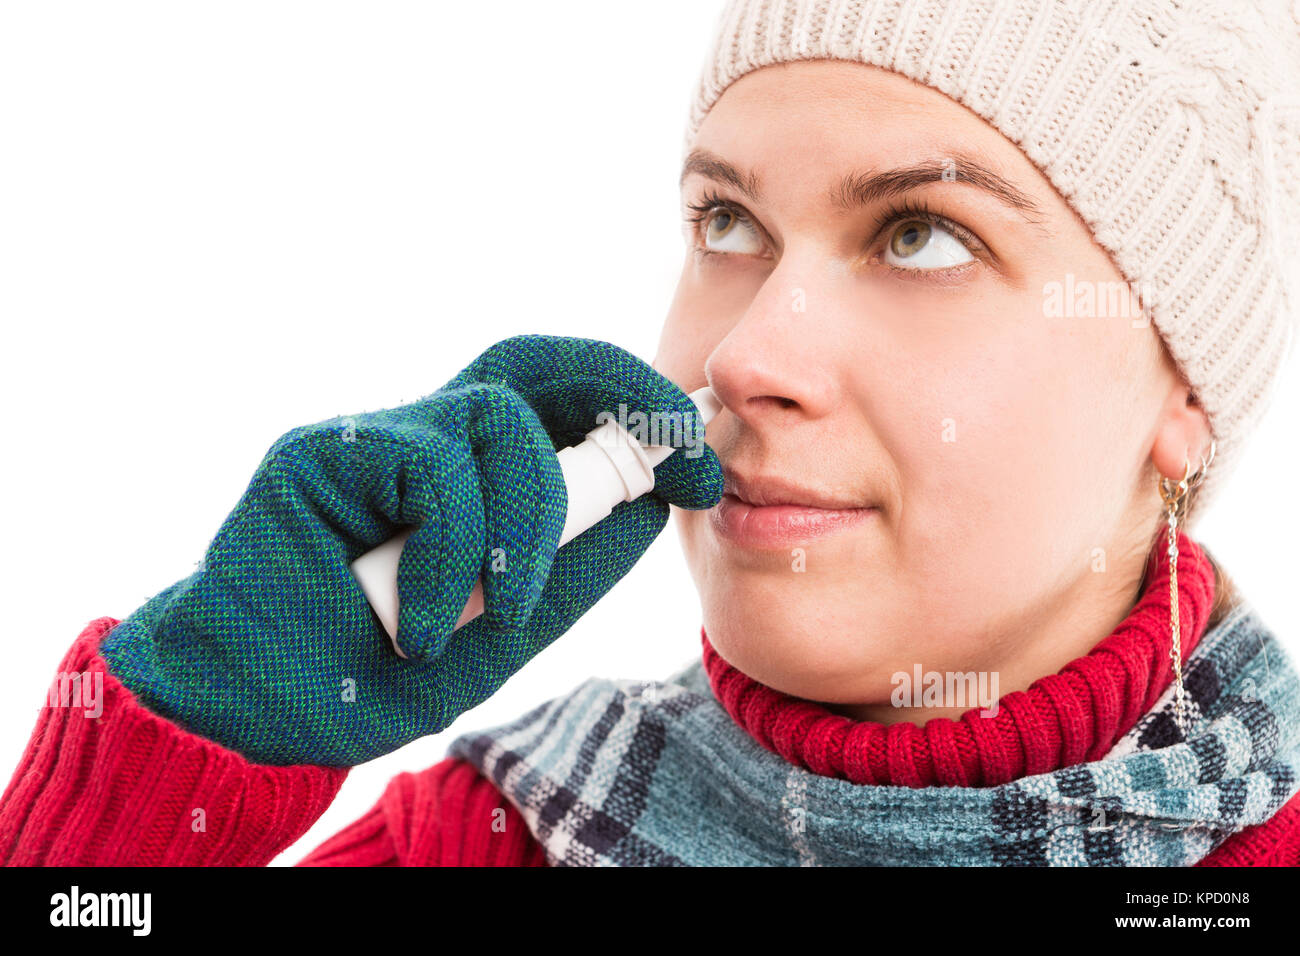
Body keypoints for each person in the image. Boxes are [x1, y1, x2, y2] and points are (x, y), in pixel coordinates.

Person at [3, 0, 1299, 866]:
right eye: (727, 225)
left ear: (1185, 389)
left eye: (921, 237)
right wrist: (175, 752)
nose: (744, 359)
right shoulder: (494, 838)